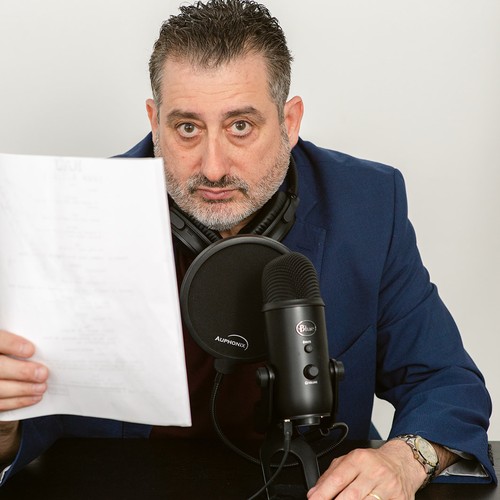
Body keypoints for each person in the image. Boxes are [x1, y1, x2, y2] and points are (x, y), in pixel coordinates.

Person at [0, 0, 496, 498]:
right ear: (155, 121)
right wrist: (4, 428)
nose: (213, 168)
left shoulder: (366, 206)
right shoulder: (75, 212)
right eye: (187, 128)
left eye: (240, 126)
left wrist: (406, 459)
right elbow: (30, 418)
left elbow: (445, 382)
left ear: (290, 121)